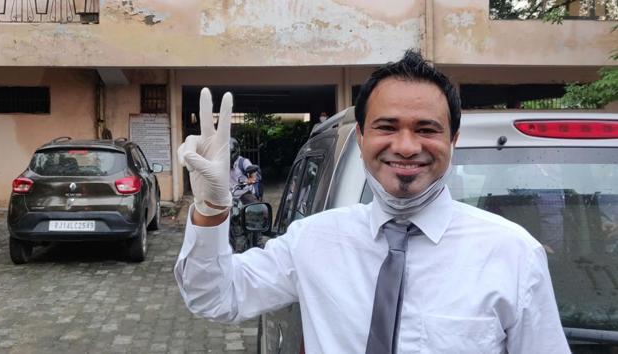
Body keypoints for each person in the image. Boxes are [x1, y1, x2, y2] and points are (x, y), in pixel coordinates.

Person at [174, 52, 569, 353]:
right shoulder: (313, 240)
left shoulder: (512, 253)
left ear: (453, 140)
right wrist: (210, 210)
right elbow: (215, 297)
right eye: (387, 127)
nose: (406, 146)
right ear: (361, 137)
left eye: (426, 129)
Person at [229, 137, 261, 204]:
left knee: (257, 209)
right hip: (228, 195)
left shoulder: (243, 162)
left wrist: (251, 179)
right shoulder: (221, 164)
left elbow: (252, 174)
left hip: (244, 193)